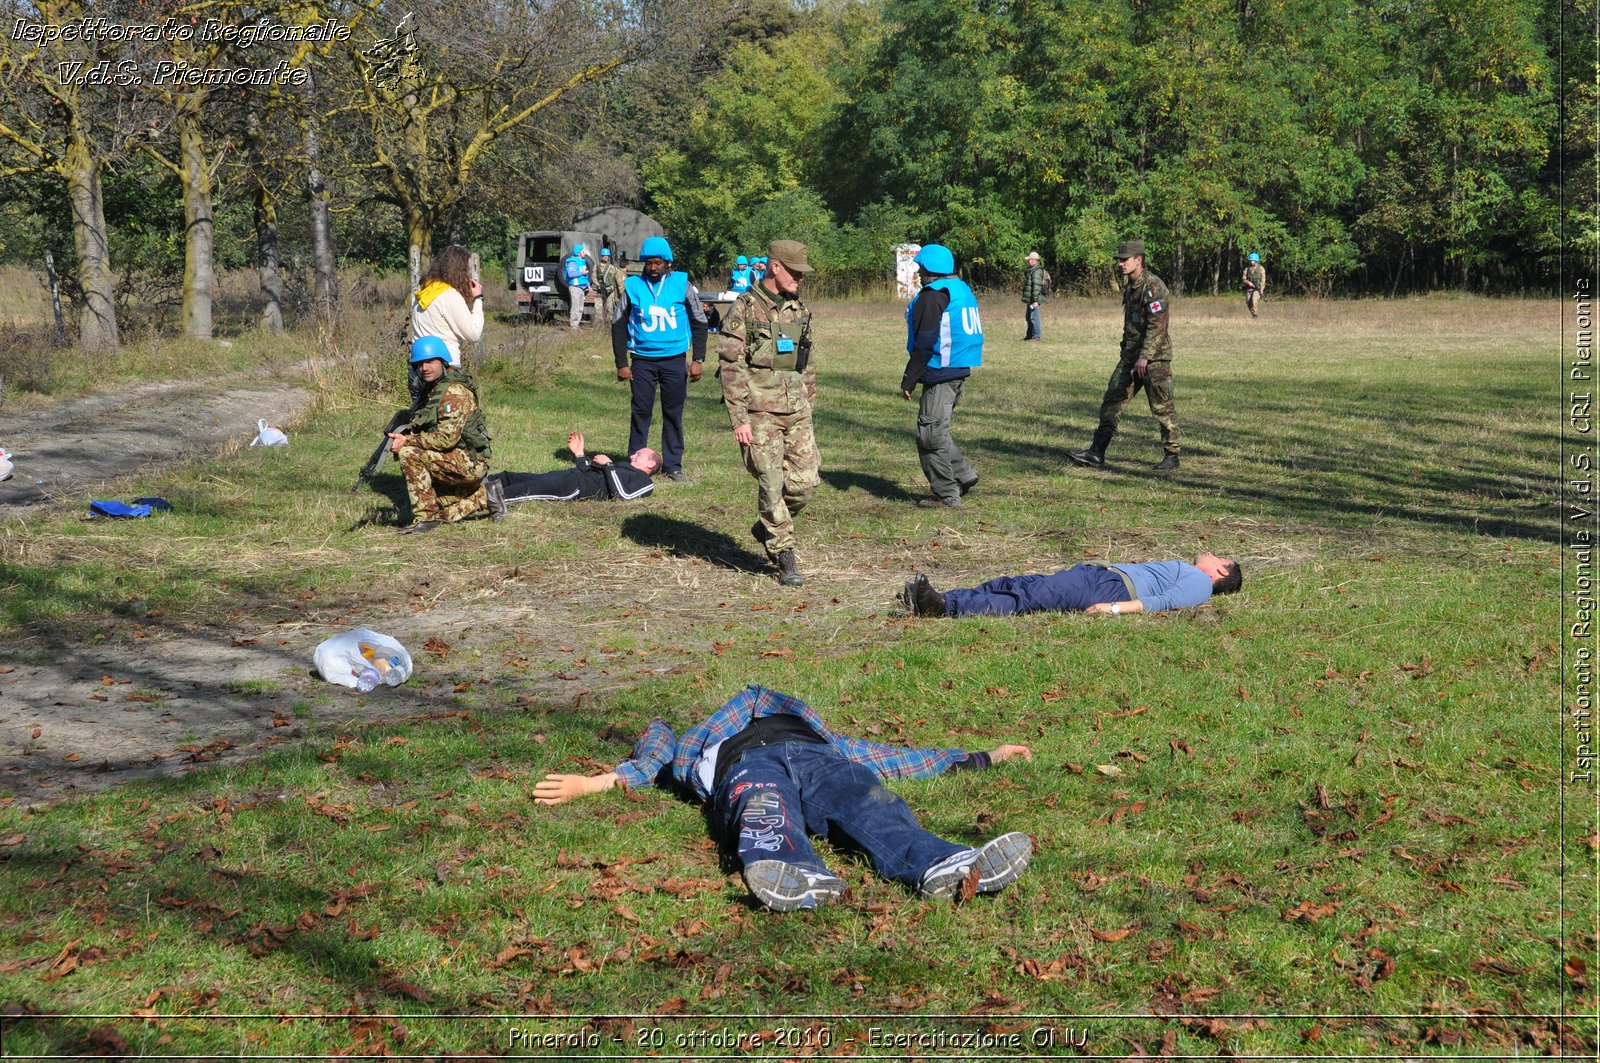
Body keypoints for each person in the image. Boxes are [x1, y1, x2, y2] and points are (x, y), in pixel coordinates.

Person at [533, 684, 1035, 912]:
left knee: (866, 796)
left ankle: (946, 863)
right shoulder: (706, 740)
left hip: (818, 759)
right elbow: (655, 755)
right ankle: (797, 874)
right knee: (763, 807)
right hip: (744, 767)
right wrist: (595, 782)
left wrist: (978, 757)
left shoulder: (816, 732)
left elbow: (885, 757)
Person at [719, 240, 819, 588]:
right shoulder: (744, 309)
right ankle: (784, 554)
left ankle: (767, 524)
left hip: (796, 410)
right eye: (795, 272)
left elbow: (804, 361)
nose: (800, 279)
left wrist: (809, 401)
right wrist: (739, 419)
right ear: (775, 267)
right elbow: (731, 366)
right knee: (771, 482)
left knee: (806, 483)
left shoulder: (798, 310)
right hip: (759, 412)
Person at [1067, 239, 1179, 472]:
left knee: (1162, 407)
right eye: (1119, 260)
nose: (1120, 264)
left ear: (1138, 260)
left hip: (1154, 359)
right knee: (1112, 401)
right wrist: (1128, 352)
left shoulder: (1153, 287)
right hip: (1131, 357)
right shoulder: (1130, 286)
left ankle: (1172, 455)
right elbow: (1132, 325)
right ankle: (1096, 452)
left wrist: (1145, 358)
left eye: (1124, 260)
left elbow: (1157, 326)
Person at [611, 235, 709, 483]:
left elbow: (699, 321)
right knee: (641, 412)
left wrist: (698, 359)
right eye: (649, 263)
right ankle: (635, 464)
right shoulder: (633, 286)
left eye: (658, 263)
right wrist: (622, 363)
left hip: (675, 360)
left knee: (673, 413)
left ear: (668, 263)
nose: (653, 268)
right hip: (642, 361)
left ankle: (673, 466)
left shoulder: (681, 283)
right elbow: (618, 324)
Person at [388, 336, 504, 534]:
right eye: (420, 364)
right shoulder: (435, 388)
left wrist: (407, 440)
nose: (425, 368)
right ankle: (486, 497)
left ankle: (427, 518)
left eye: (430, 361)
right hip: (457, 457)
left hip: (469, 462)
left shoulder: (453, 392)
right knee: (439, 502)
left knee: (409, 453)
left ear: (443, 361)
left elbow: (445, 439)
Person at [901, 552, 1242, 618]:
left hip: (1110, 590)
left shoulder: (1201, 585)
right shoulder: (1195, 574)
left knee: (1030, 596)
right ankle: (938, 599)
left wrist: (1112, 608)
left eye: (1219, 556)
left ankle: (945, 607)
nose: (1210, 552)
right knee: (1018, 583)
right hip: (1101, 577)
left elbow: (1164, 603)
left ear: (1222, 572)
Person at [901, 243, 982, 509]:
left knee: (929, 436)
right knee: (939, 429)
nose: (918, 271)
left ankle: (946, 494)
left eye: (920, 267)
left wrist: (909, 378)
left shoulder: (932, 295)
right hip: (958, 370)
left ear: (928, 268)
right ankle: (964, 475)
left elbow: (925, 341)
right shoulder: (960, 288)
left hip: (940, 372)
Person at [411, 245, 483, 368]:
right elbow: (473, 334)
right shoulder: (450, 296)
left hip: (419, 367)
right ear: (458, 271)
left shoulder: (421, 293)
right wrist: (478, 299)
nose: (468, 276)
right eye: (467, 271)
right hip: (445, 366)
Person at [564, 243, 593, 331]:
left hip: (582, 288)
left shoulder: (582, 262)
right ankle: (573, 327)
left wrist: (588, 285)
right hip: (575, 288)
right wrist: (582, 272)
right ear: (578, 253)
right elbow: (571, 273)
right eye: (583, 251)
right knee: (575, 308)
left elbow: (583, 277)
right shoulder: (573, 262)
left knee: (580, 308)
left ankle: (577, 326)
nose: (584, 252)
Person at [1022, 251, 1046, 341]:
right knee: (1028, 317)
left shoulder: (1036, 272)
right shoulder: (1033, 270)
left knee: (1034, 317)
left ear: (1033, 260)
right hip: (1031, 299)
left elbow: (1036, 287)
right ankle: (1029, 335)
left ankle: (1036, 336)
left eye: (1029, 260)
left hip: (1034, 299)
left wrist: (1035, 300)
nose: (1028, 262)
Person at [594, 248, 622, 326]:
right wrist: (598, 285)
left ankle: (609, 326)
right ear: (601, 256)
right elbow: (593, 277)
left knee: (609, 309)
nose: (606, 258)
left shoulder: (612, 267)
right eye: (604, 256)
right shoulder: (596, 266)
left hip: (610, 291)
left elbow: (617, 279)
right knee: (598, 310)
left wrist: (615, 289)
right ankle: (598, 327)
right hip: (600, 290)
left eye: (607, 256)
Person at [1242, 252, 1267, 318]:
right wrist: (1248, 282)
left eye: (1252, 260)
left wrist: (1261, 289)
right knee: (1248, 302)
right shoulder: (1247, 269)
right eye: (1250, 260)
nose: (1250, 261)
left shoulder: (1261, 269)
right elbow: (1243, 279)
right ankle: (1254, 314)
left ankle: (1255, 314)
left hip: (1257, 288)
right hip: (1249, 288)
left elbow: (1263, 280)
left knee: (1254, 299)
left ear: (1256, 261)